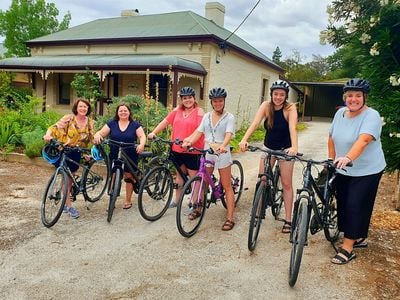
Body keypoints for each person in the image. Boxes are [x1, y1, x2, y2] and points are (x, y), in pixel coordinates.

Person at [328, 78, 386, 265]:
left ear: (364, 98)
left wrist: (348, 157)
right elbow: (331, 137)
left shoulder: (372, 115)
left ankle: (348, 248)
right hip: (343, 168)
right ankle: (357, 236)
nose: (353, 99)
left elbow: (364, 140)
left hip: (368, 169)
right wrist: (332, 159)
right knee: (343, 202)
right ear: (345, 97)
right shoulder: (340, 114)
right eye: (350, 96)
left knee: (355, 204)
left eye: (358, 96)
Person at [238, 80, 298, 233]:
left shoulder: (290, 108)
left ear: (286, 96)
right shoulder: (266, 106)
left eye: (282, 95)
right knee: (262, 179)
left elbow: (292, 128)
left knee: (286, 184)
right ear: (271, 94)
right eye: (276, 94)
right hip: (269, 147)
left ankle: (289, 220)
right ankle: (258, 212)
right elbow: (255, 123)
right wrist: (244, 139)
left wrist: (295, 147)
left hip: (286, 149)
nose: (278, 97)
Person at [182, 87, 236, 231]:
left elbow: (228, 134)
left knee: (226, 186)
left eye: (220, 101)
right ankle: (198, 208)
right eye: (215, 101)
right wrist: (188, 141)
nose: (217, 103)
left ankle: (230, 218)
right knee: (203, 181)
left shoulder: (229, 117)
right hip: (208, 152)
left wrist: (223, 146)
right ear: (211, 102)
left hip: (222, 153)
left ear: (224, 101)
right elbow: (198, 132)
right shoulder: (206, 116)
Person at [148, 87, 205, 208]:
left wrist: (189, 141)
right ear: (181, 100)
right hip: (177, 149)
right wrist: (154, 132)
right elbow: (165, 122)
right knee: (179, 176)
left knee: (194, 177)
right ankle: (177, 200)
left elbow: (200, 129)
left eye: (190, 97)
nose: (187, 100)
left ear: (194, 98)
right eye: (185, 98)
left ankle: (195, 203)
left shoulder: (199, 112)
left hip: (192, 150)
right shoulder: (177, 110)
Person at [43, 98, 94, 219]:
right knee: (66, 178)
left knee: (69, 179)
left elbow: (92, 138)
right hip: (64, 149)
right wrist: (48, 135)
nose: (83, 109)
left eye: (85, 107)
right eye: (80, 106)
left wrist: (91, 151)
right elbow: (54, 127)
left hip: (77, 151)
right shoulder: (69, 118)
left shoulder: (90, 122)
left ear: (88, 109)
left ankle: (67, 200)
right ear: (76, 108)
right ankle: (68, 206)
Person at [93, 103, 146, 209]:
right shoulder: (112, 123)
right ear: (117, 113)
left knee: (128, 176)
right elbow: (101, 133)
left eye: (125, 110)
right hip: (114, 153)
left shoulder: (134, 124)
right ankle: (112, 200)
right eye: (121, 110)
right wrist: (97, 135)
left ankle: (128, 200)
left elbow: (142, 136)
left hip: (130, 153)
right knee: (113, 175)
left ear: (129, 112)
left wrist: (141, 144)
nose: (123, 112)